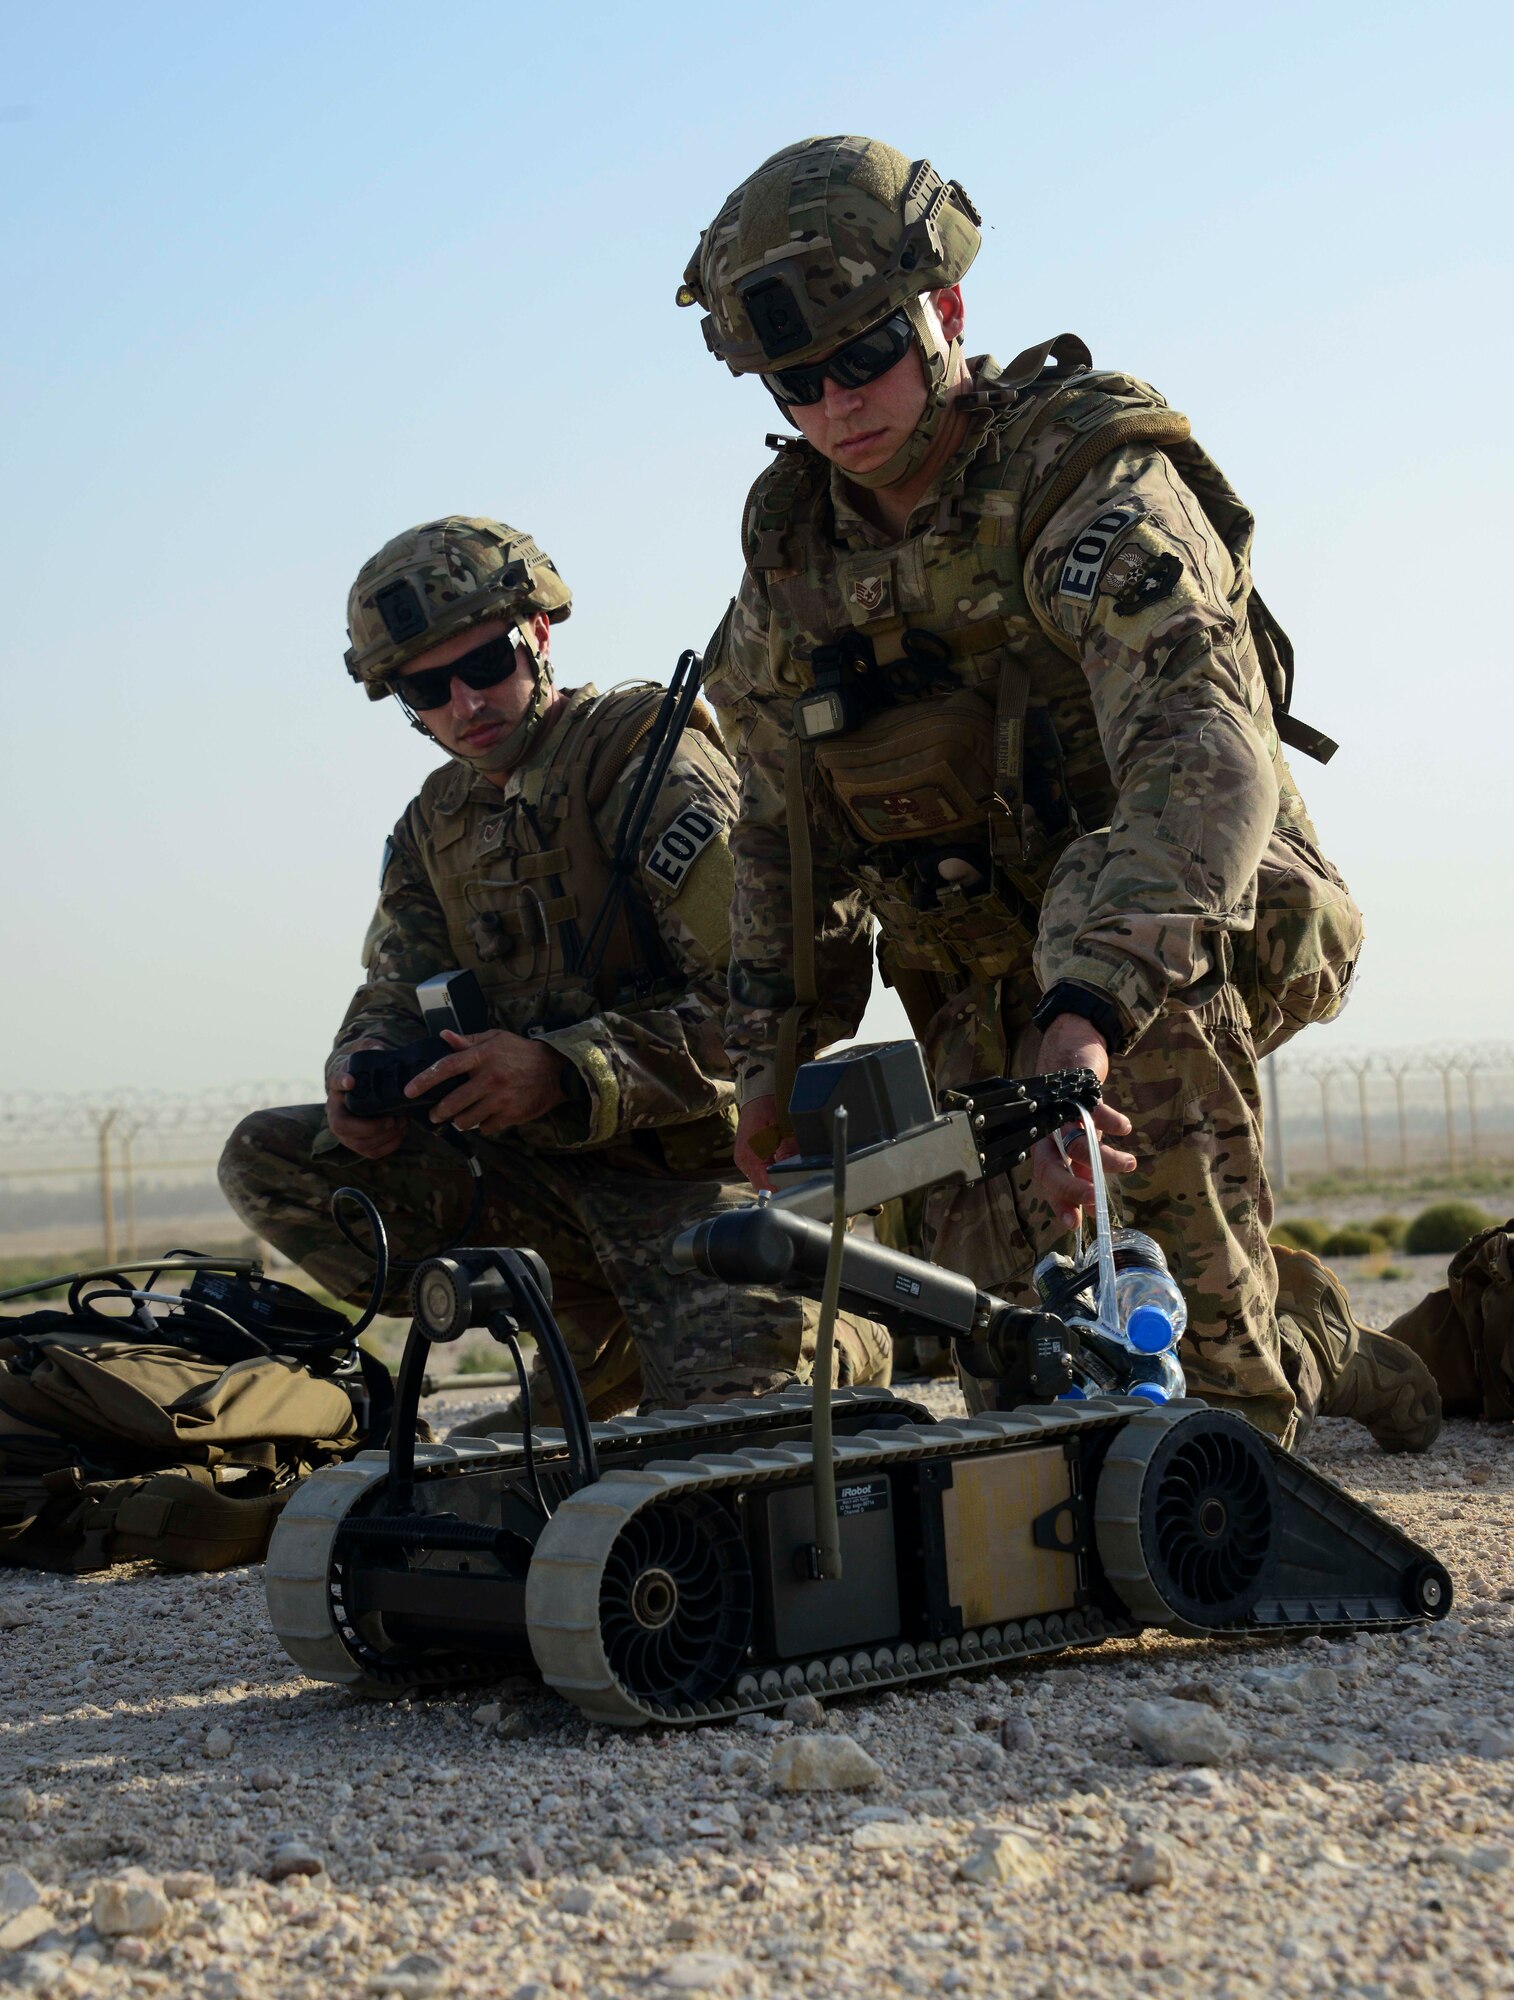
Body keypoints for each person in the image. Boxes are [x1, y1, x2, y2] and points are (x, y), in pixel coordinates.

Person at [677, 135, 1438, 1450]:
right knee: (1033, 1378)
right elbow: (772, 821)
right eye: (798, 380)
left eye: (867, 354)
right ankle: (1306, 1323)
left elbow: (1199, 748)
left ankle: (1275, 1365)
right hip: (971, 970)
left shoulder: (1080, 480)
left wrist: (1088, 1008)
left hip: (1184, 924)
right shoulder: (793, 556)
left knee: (1208, 1418)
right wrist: (766, 1061)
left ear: (947, 315)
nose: (838, 403)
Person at [219, 515, 889, 1423]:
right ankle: (590, 1329)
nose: (466, 702)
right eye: (427, 686)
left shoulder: (643, 760)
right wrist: (362, 1069)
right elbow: (390, 987)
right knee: (277, 1157)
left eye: (487, 665)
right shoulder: (434, 824)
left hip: (700, 1174)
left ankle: (843, 1320)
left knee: (727, 1443)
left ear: (537, 633)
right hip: (543, 1183)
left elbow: (765, 1001)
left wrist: (566, 1069)